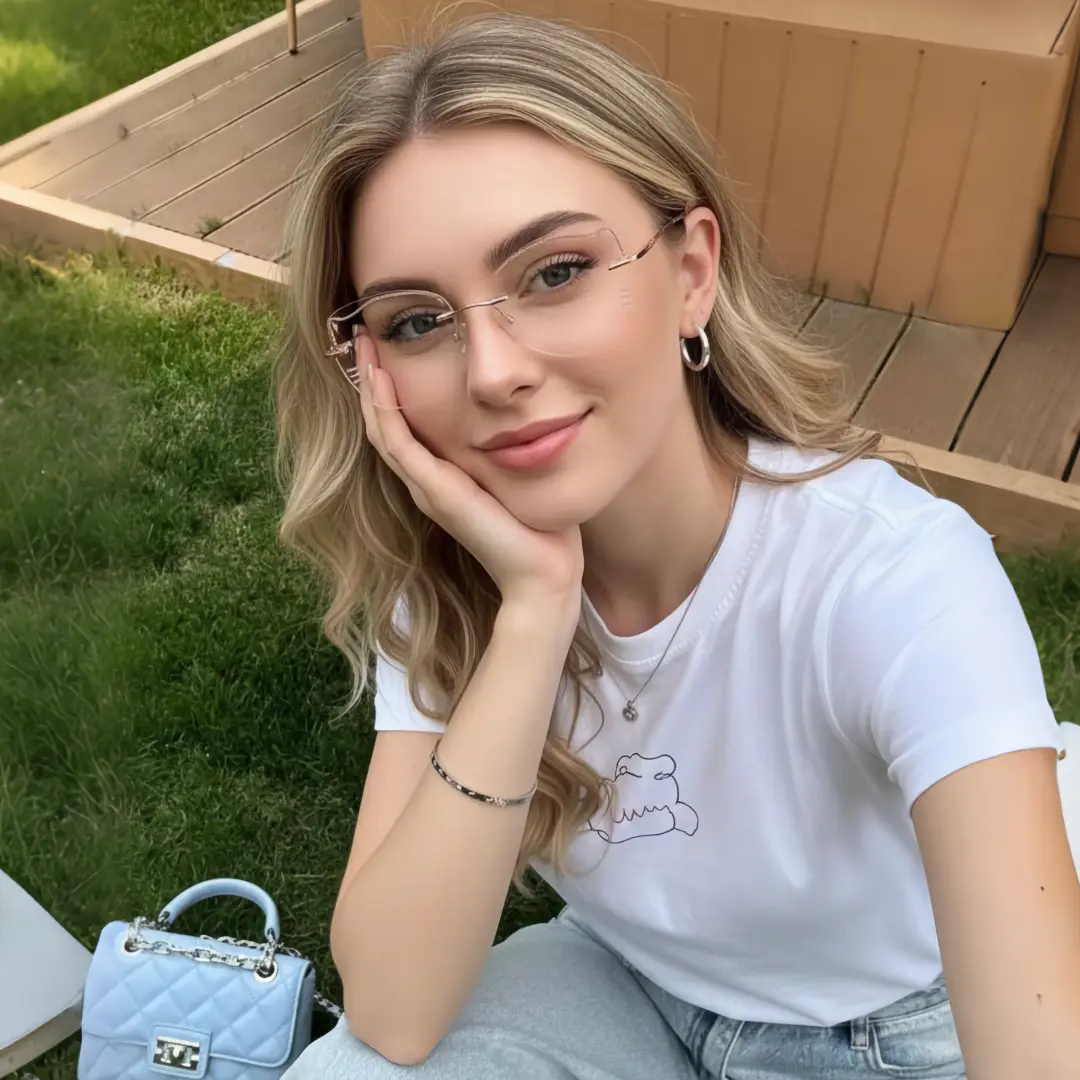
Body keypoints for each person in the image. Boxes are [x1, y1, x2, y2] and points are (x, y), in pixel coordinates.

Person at [273, 12, 1080, 1079]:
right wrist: (533, 616)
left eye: (555, 271)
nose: (493, 371)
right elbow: (394, 1008)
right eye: (418, 321)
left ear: (691, 269)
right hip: (633, 983)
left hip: (905, 1016)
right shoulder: (455, 579)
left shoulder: (893, 576)